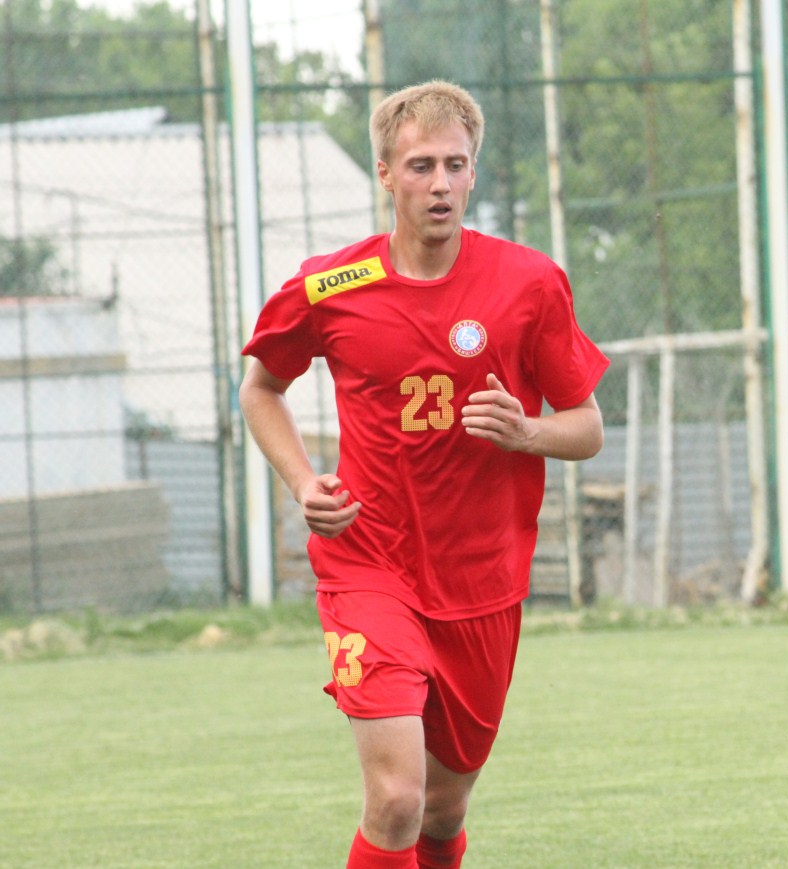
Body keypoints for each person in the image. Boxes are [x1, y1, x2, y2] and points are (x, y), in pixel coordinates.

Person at [239, 80, 608, 869]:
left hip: (482, 582)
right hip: (368, 565)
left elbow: (587, 426)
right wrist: (303, 481)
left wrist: (527, 430)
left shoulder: (530, 282)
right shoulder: (329, 287)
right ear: (385, 174)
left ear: (473, 172)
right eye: (420, 166)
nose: (439, 184)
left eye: (454, 165)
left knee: (442, 809)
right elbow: (261, 387)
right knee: (398, 797)